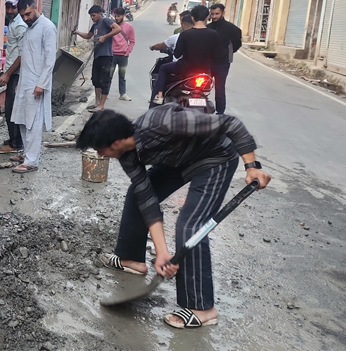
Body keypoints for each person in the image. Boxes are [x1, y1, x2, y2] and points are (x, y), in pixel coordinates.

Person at [76, 107, 271, 328]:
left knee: (190, 225)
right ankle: (132, 259)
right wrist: (162, 254)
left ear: (115, 143)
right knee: (136, 195)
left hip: (215, 159)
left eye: (100, 150)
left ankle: (203, 308)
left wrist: (252, 166)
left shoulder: (164, 122)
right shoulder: (127, 155)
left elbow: (231, 123)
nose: (100, 156)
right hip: (179, 160)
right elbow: (147, 198)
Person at [1, 0, 56, 173]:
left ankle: (32, 161)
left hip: (37, 83)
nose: (26, 18)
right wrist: (20, 82)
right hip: (25, 81)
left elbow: (50, 60)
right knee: (22, 119)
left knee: (33, 121)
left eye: (28, 14)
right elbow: (25, 56)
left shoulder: (47, 27)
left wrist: (42, 84)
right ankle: (26, 153)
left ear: (35, 7)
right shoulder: (30, 28)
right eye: (23, 15)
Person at [152, 5, 222, 105]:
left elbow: (177, 54)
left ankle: (159, 96)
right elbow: (216, 54)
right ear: (207, 17)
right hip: (205, 70)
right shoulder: (214, 34)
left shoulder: (185, 34)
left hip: (185, 68)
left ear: (192, 17)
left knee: (163, 68)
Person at [73, 5, 122, 112]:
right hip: (97, 56)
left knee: (104, 81)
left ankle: (102, 105)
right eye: (91, 16)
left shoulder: (106, 21)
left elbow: (118, 29)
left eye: (94, 15)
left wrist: (105, 37)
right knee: (96, 80)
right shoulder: (95, 25)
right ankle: (97, 102)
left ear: (100, 13)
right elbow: (88, 36)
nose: (92, 18)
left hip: (106, 55)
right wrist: (77, 32)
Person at [0, 0, 26, 154]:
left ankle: (16, 144)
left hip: (17, 73)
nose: (9, 10)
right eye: (7, 6)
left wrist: (7, 74)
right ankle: (14, 140)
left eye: (13, 7)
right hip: (13, 71)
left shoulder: (20, 25)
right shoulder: (14, 23)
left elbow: (22, 54)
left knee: (12, 109)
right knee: (11, 108)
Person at [207, 3, 242, 115]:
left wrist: (227, 53)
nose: (214, 16)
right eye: (212, 14)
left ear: (222, 13)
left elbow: (237, 44)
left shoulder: (231, 29)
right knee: (201, 86)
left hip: (222, 63)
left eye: (217, 13)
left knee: (219, 88)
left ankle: (220, 112)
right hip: (207, 63)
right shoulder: (207, 28)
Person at [110, 7, 135, 101]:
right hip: (112, 55)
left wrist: (128, 52)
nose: (116, 18)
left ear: (123, 16)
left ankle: (123, 94)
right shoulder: (111, 26)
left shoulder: (129, 27)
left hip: (123, 56)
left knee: (122, 76)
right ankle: (105, 93)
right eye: (115, 16)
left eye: (118, 16)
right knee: (108, 75)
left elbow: (132, 41)